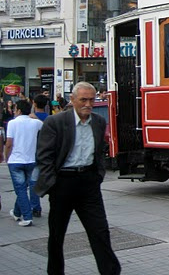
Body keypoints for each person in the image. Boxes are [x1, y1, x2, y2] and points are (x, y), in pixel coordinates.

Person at [35, 81, 121, 275]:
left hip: (88, 183)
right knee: (57, 235)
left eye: (91, 100)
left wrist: (98, 176)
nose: (88, 104)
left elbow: (99, 152)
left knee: (100, 231)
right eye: (83, 100)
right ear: (72, 100)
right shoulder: (55, 122)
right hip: (63, 183)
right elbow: (43, 156)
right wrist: (53, 184)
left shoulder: (98, 122)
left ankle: (111, 272)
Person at [5, 99, 43, 226]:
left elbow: (9, 143)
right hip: (31, 160)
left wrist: (6, 157)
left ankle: (27, 217)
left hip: (16, 160)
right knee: (23, 187)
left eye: (15, 109)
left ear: (19, 110)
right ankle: (16, 212)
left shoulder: (12, 123)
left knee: (20, 189)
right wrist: (35, 116)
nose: (14, 111)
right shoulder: (35, 123)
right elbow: (47, 126)